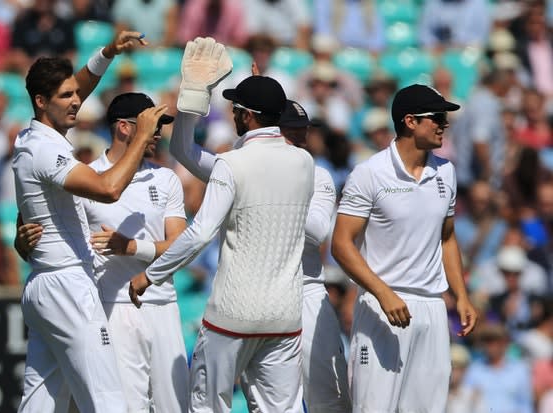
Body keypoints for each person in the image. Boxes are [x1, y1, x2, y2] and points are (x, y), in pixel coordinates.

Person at [130, 37, 315, 413]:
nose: (232, 115)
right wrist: (253, 93)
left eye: (236, 110)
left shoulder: (232, 165)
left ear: (245, 116)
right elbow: (195, 153)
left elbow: (199, 231)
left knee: (206, 408)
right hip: (284, 316)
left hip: (232, 315)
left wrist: (151, 274)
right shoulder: (305, 164)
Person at [11, 31, 170, 413]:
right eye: (66, 97)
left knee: (41, 403)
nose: (76, 102)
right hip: (68, 286)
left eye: (75, 95)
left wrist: (107, 52)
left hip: (43, 285)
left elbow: (70, 87)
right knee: (108, 402)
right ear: (41, 101)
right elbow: (108, 188)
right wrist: (141, 137)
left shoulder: (30, 137)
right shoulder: (47, 151)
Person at [170, 92, 351, 410]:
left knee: (330, 400)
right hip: (254, 298)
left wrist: (275, 195)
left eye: (305, 128)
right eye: (294, 129)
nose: (304, 136)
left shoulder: (316, 173)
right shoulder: (242, 166)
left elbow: (319, 230)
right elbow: (184, 150)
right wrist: (192, 96)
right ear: (274, 130)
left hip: (305, 293)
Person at [331, 84, 478, 412]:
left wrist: (462, 295)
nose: (444, 124)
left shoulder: (447, 171)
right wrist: (383, 293)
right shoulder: (370, 173)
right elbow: (341, 244)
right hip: (383, 308)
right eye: (436, 117)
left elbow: (447, 237)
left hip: (432, 308)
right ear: (410, 121)